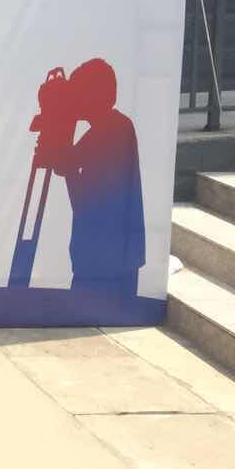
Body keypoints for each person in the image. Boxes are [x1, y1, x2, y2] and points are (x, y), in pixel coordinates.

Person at [57, 58, 146, 296]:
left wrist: (64, 126)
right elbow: (67, 161)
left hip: (106, 263)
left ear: (92, 96)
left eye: (78, 94)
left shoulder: (112, 130)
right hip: (110, 258)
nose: (74, 101)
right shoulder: (114, 126)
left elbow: (81, 201)